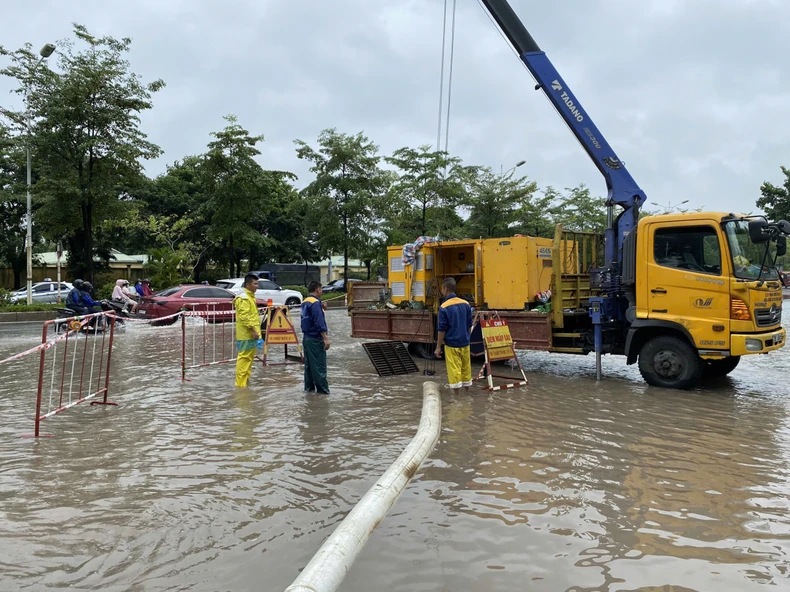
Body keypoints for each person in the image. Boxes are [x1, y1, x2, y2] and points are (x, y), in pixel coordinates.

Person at [434, 277, 474, 391]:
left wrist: (438, 347)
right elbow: (469, 325)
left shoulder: (444, 307)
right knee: (466, 371)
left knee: (454, 372)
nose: (441, 290)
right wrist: (467, 338)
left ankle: (457, 400)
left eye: (442, 288)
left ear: (445, 289)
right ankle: (467, 396)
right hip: (465, 343)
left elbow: (442, 329)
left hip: (452, 345)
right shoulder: (466, 304)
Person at [301, 280, 330, 394]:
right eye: (321, 289)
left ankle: (309, 391)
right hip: (315, 339)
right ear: (318, 289)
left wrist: (322, 307)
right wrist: (325, 338)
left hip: (306, 338)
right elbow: (319, 322)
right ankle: (323, 393)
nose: (321, 291)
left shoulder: (306, 301)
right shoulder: (315, 303)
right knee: (319, 367)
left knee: (309, 367)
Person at [233, 273, 262, 388]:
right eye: (255, 284)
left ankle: (245, 383)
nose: (257, 286)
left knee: (248, 360)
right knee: (244, 359)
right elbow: (245, 316)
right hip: (246, 335)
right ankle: (240, 386)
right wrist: (254, 330)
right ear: (248, 284)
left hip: (251, 334)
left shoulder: (249, 296)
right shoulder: (244, 297)